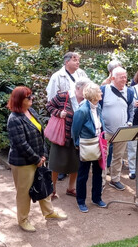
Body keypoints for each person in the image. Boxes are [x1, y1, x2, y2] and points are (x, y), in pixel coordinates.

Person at [7, 86, 67, 232]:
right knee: (24, 193)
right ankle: (23, 220)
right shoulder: (14, 119)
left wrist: (43, 154)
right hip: (23, 163)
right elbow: (21, 144)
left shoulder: (31, 111)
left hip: (38, 159)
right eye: (28, 97)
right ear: (19, 100)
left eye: (31, 96)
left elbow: (41, 134)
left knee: (44, 184)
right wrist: (36, 159)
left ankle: (49, 212)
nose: (32, 98)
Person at [71, 82, 107, 213]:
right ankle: (81, 201)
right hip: (86, 145)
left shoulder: (98, 106)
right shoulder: (82, 110)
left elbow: (100, 122)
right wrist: (77, 145)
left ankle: (97, 198)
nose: (101, 93)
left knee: (98, 172)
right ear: (93, 95)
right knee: (83, 174)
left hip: (98, 143)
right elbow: (75, 130)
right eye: (99, 91)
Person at [46, 80, 84, 198]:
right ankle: (52, 189)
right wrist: (58, 113)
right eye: (85, 89)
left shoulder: (86, 99)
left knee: (76, 163)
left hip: (77, 137)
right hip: (61, 135)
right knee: (55, 164)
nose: (87, 92)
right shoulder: (64, 95)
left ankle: (71, 188)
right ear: (78, 88)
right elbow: (49, 105)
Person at [100, 67, 135, 191]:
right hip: (105, 131)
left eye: (125, 77)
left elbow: (131, 109)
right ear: (113, 78)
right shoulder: (103, 90)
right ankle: (101, 181)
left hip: (122, 131)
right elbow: (96, 109)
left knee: (118, 156)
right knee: (103, 157)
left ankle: (115, 179)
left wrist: (130, 122)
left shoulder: (129, 92)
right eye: (122, 77)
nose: (125, 79)